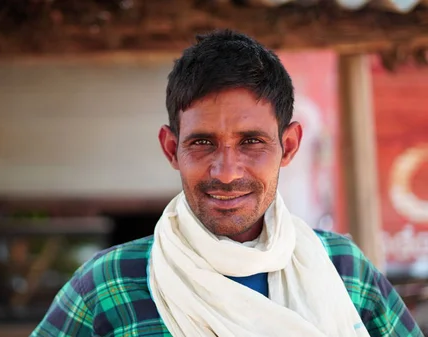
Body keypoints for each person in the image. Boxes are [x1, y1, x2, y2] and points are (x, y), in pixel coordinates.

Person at [31, 30, 421, 336]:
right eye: (202, 143)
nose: (227, 172)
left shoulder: (343, 269)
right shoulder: (108, 284)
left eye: (252, 142)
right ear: (171, 148)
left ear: (289, 146)